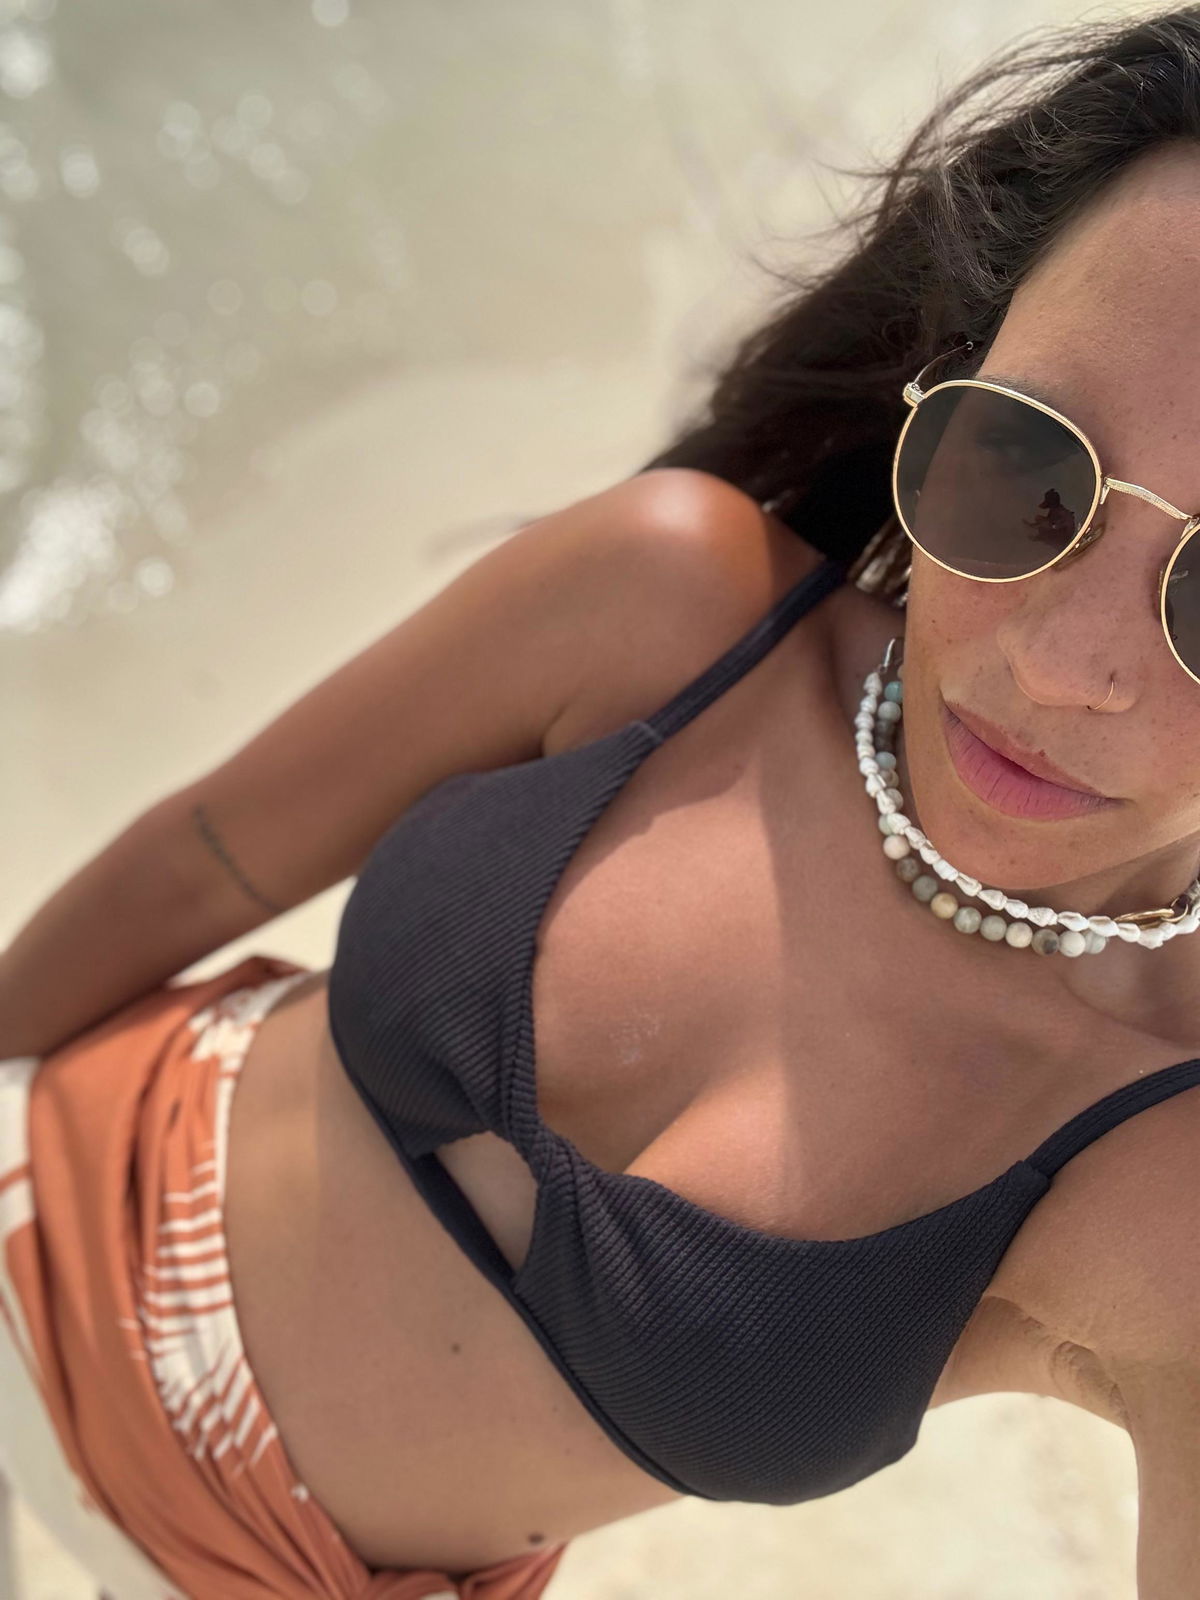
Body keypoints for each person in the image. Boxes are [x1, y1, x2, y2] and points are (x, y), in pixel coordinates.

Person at [6, 8, 1200, 1597]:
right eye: (1034, 467)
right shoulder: (672, 607)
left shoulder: (1159, 1178)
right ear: (956, 377)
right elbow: (208, 855)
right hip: (37, 1206)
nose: (1063, 664)